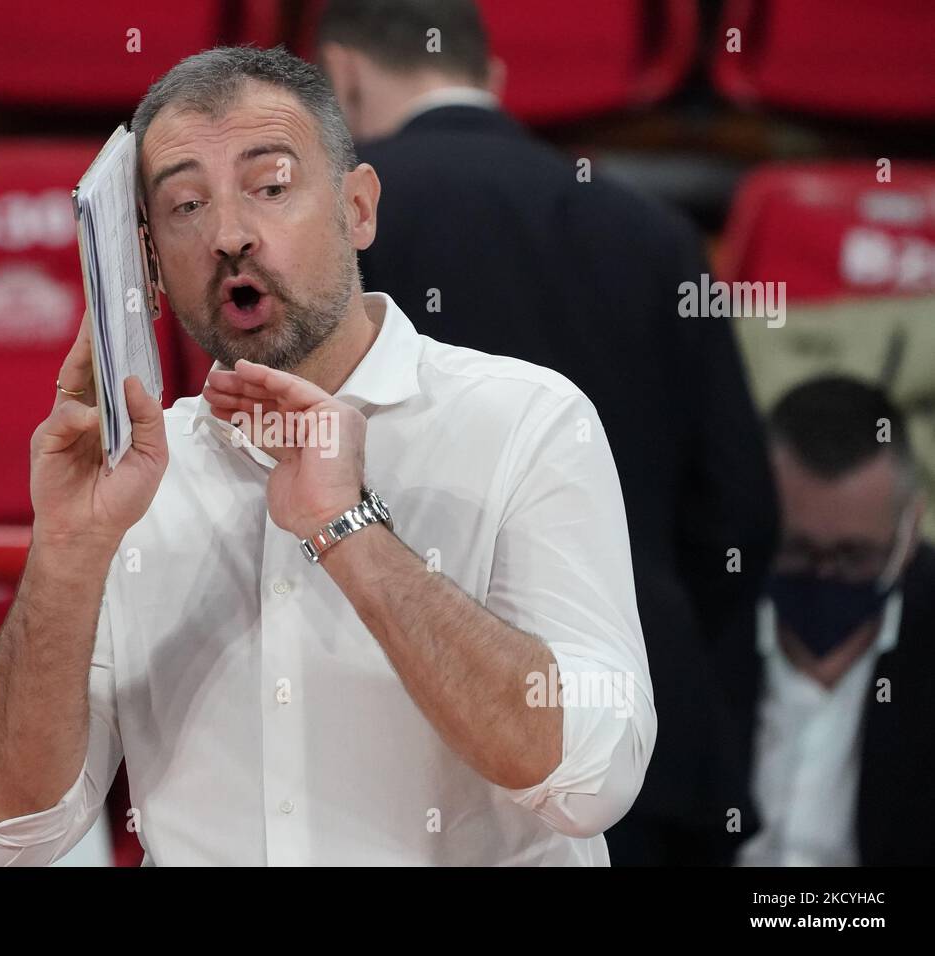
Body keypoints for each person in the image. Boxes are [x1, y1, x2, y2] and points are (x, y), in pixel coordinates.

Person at [0, 45, 655, 866]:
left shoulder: (527, 420)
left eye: (271, 186)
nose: (229, 236)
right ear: (147, 261)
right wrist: (67, 555)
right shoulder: (132, 479)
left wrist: (348, 528)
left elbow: (594, 780)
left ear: (358, 208)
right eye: (184, 206)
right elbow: (8, 837)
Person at [315, 0, 778, 863]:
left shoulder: (327, 233)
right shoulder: (658, 231)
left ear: (340, 73)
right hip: (647, 743)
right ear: (492, 80)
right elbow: (741, 513)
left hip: (402, 743)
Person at [718, 377, 935, 866]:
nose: (824, 575)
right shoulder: (701, 624)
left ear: (910, 529)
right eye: (796, 550)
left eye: (854, 556)